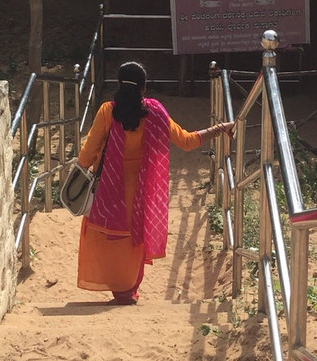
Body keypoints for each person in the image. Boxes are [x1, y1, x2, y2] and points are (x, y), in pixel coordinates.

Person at [75, 61, 235, 304]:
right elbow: (187, 141)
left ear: (118, 85)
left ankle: (118, 289)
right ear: (144, 88)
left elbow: (86, 156)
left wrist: (82, 171)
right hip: (141, 192)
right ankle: (128, 290)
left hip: (109, 191)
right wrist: (219, 128)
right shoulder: (155, 113)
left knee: (112, 238)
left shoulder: (108, 112)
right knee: (134, 240)